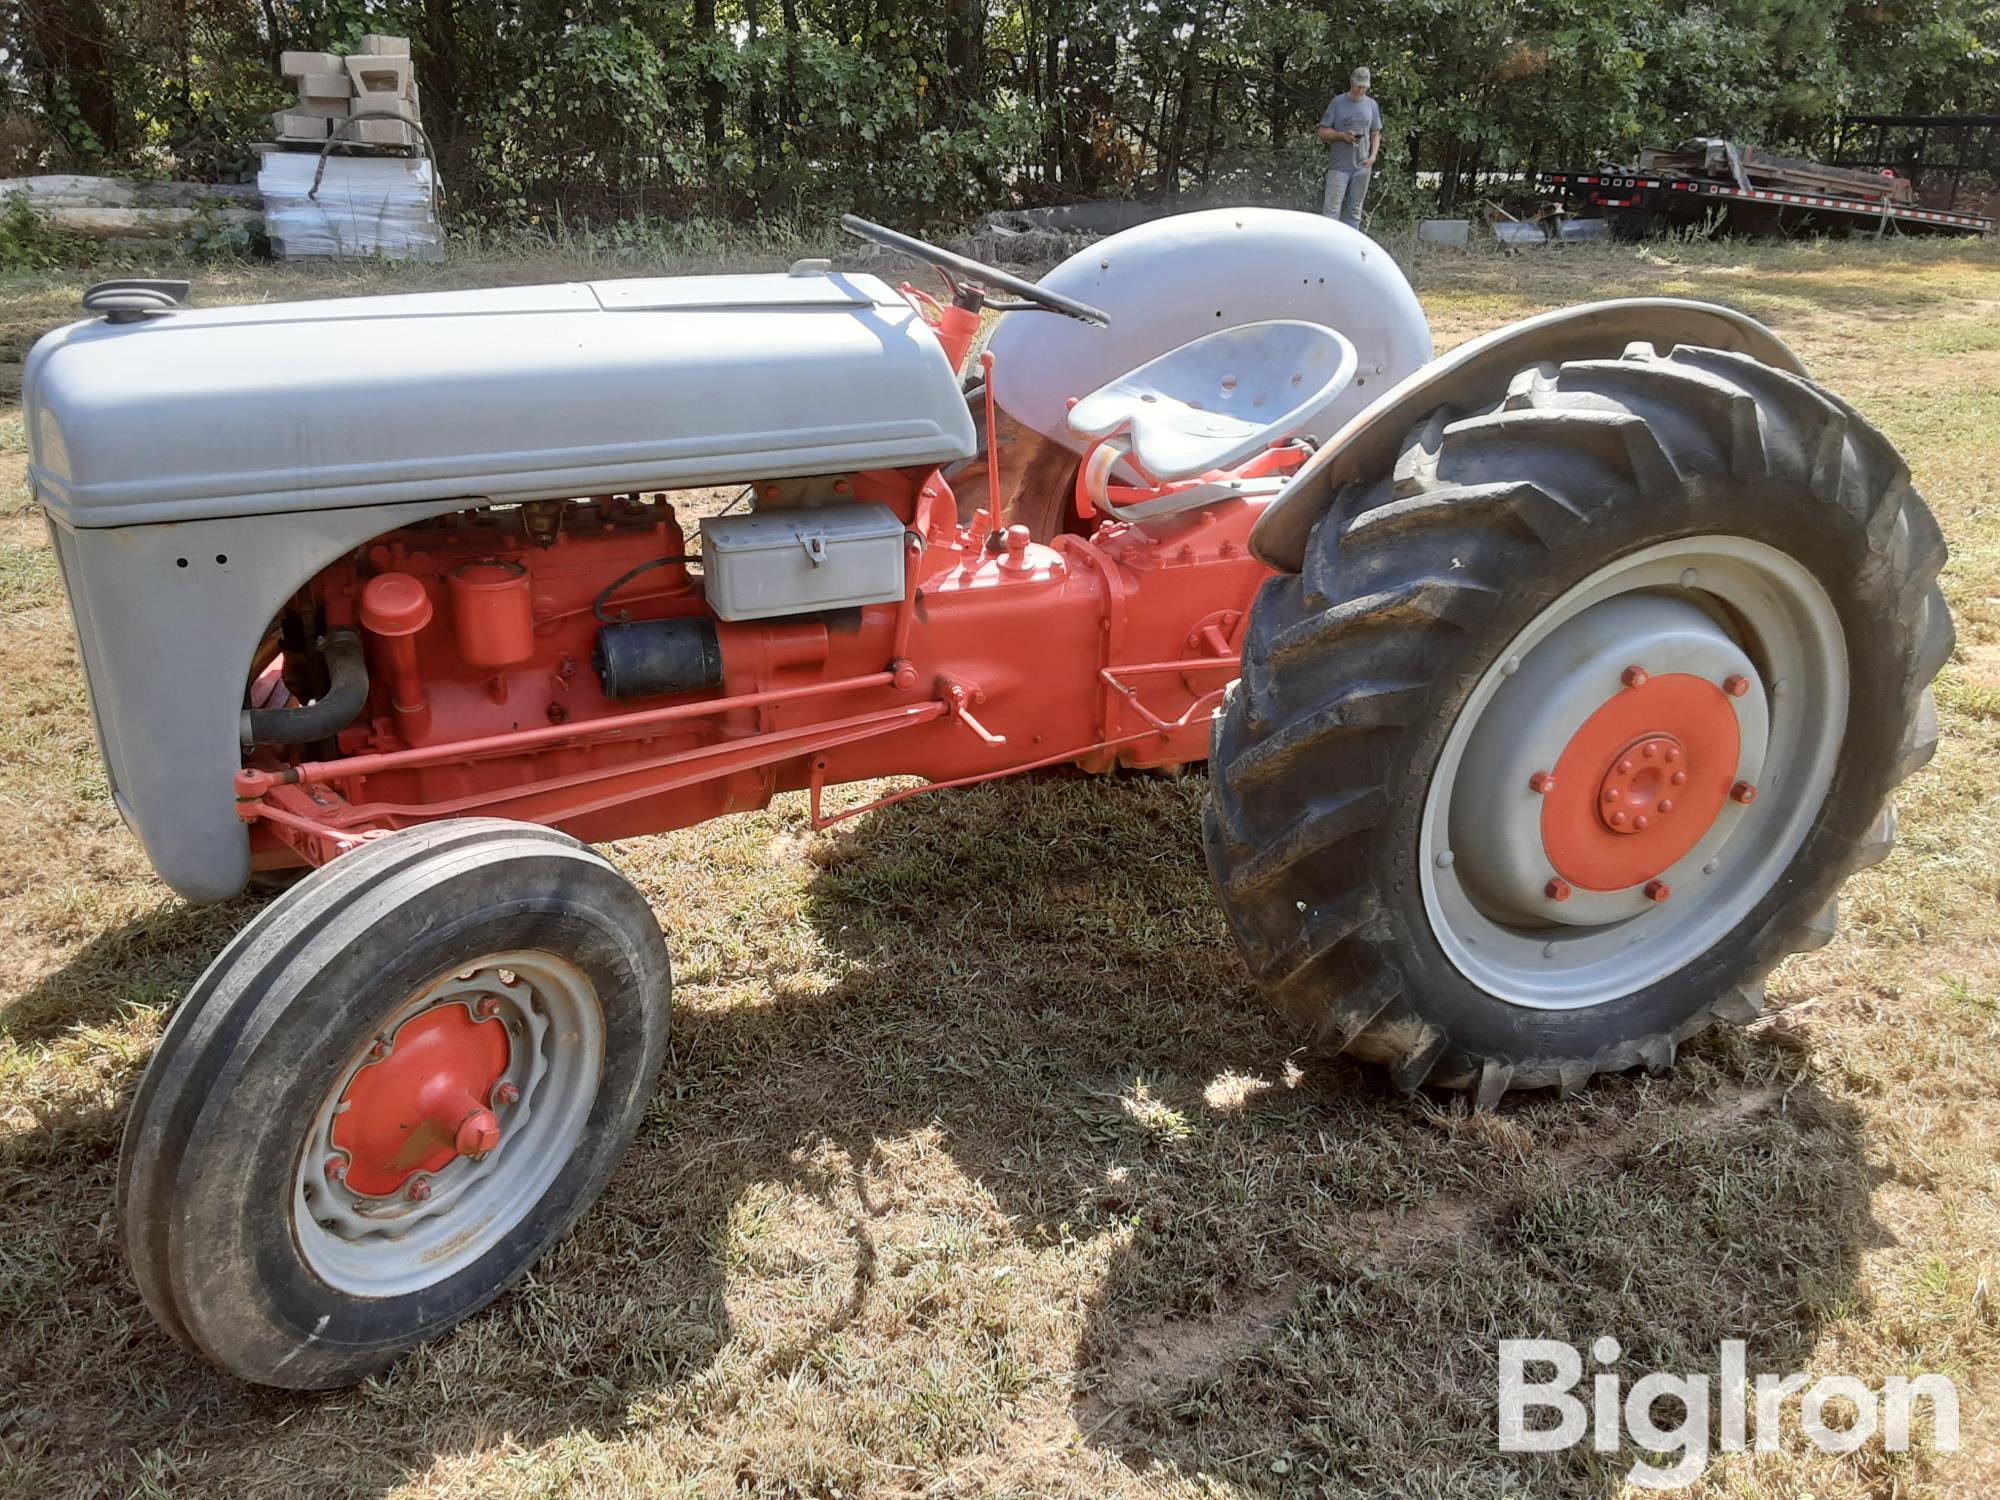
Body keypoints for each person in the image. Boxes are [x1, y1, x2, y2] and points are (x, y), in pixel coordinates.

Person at [1319, 67, 1382, 230]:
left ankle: (1352, 249)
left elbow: (1375, 133)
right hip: (1339, 166)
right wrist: (1341, 136)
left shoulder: (1371, 105)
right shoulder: (1338, 102)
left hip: (1362, 166)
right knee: (1332, 212)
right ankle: (1328, 247)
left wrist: (1373, 157)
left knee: (1355, 211)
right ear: (1351, 83)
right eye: (1358, 85)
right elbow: (1323, 131)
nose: (1361, 89)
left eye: (1364, 86)